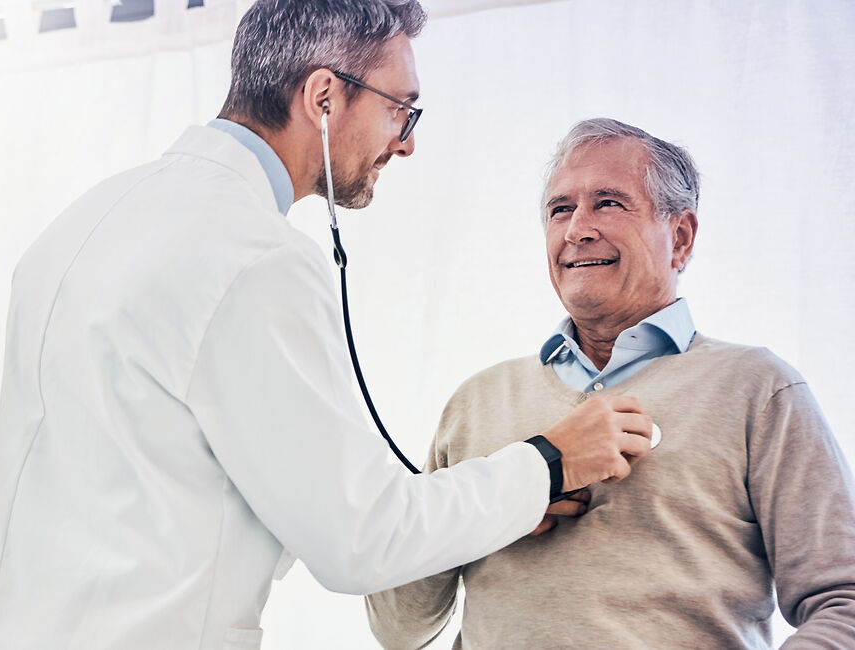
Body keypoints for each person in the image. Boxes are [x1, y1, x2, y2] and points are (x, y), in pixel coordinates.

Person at [0, 3, 654, 648]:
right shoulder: (254, 257)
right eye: (401, 110)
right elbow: (360, 537)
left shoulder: (83, 222)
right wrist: (550, 462)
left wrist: (492, 509)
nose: (405, 143)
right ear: (323, 98)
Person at [365, 118, 855, 648]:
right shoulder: (476, 402)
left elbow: (843, 604)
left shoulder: (758, 389)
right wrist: (496, 499)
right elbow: (397, 627)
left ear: (680, 237)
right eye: (560, 210)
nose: (577, 229)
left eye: (608, 203)